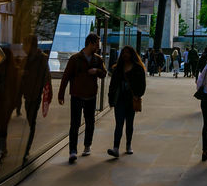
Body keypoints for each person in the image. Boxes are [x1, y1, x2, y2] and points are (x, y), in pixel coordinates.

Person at [58, 33, 105, 163]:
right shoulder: (75, 59)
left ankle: (87, 146)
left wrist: (97, 71)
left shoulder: (98, 59)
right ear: (91, 43)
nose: (98, 46)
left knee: (90, 122)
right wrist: (61, 94)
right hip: (77, 95)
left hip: (91, 95)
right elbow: (66, 76)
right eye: (97, 44)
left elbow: (104, 73)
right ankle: (72, 151)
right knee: (75, 124)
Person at [107, 46, 146, 158]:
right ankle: (116, 148)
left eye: (127, 53)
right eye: (124, 53)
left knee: (129, 123)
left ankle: (128, 144)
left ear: (132, 54)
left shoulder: (138, 68)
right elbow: (112, 85)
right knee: (119, 124)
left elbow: (142, 85)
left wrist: (138, 95)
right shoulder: (118, 68)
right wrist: (111, 98)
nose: (125, 55)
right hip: (119, 99)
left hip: (132, 99)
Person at [19, 35, 49, 160]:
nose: (23, 48)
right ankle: (25, 148)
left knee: (31, 121)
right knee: (30, 120)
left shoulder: (41, 59)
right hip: (28, 94)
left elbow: (46, 77)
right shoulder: (26, 59)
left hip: (35, 94)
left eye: (25, 45)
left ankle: (26, 148)